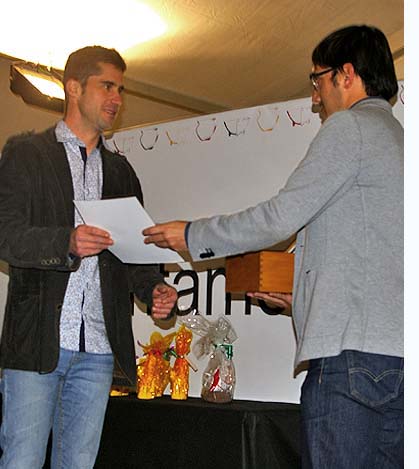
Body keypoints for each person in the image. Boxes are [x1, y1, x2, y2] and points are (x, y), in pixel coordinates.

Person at [143, 25, 403, 468]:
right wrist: (297, 299)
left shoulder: (350, 129)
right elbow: (372, 259)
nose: (315, 98)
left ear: (346, 74)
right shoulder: (400, 142)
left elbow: (279, 217)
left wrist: (192, 235)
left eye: (317, 80)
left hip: (351, 364)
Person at [0, 46, 177, 468]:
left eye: (121, 89)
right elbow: (6, 236)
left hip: (98, 349)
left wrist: (154, 288)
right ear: (74, 88)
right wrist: (66, 241)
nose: (117, 98)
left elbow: (133, 255)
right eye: (108, 86)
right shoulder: (27, 155)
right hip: (37, 345)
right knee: (21, 462)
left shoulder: (120, 171)